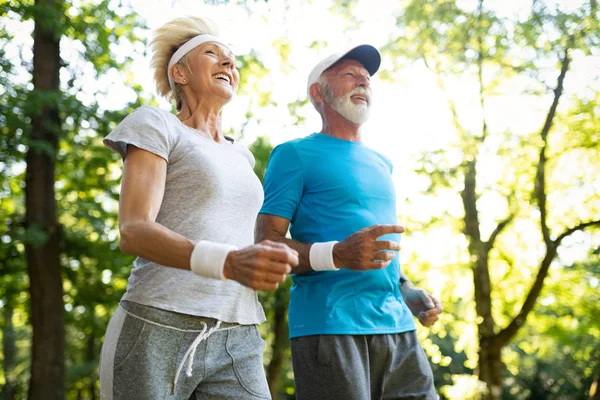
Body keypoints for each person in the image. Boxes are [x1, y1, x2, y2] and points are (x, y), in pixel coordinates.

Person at [99, 16, 298, 400]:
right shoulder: (157, 124)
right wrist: (226, 262)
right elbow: (134, 230)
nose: (228, 64)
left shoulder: (240, 154)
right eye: (213, 54)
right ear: (180, 73)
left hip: (238, 331)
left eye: (232, 60)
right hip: (157, 322)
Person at [256, 45, 442, 400]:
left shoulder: (382, 162)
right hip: (330, 326)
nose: (363, 83)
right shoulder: (293, 154)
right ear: (317, 92)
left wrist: (407, 291)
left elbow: (378, 252)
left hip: (398, 328)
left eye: (367, 79)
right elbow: (267, 244)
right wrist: (337, 254)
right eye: (349, 75)